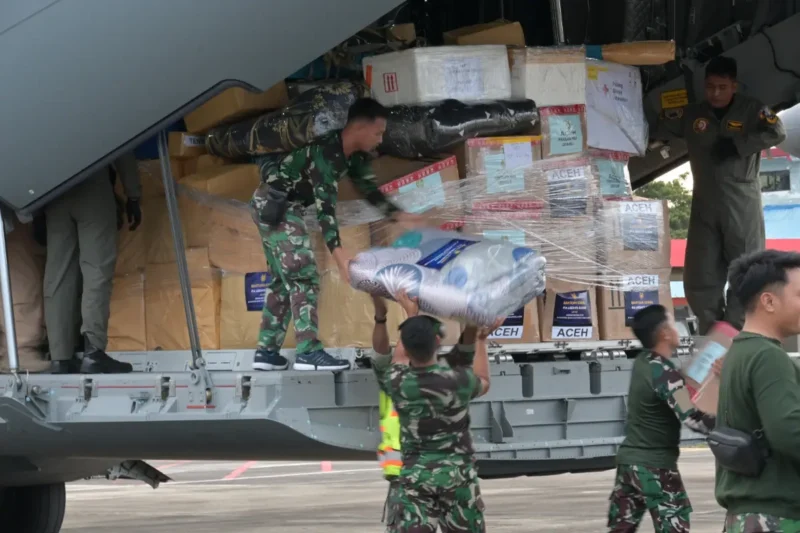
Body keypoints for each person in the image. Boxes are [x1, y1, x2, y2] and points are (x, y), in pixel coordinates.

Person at [250, 97, 422, 372]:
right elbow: (325, 211)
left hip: (279, 207)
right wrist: (340, 256)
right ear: (358, 128)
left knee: (284, 280)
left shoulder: (354, 156)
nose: (380, 140)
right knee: (302, 274)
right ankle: (308, 352)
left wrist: (397, 214)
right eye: (377, 133)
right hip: (276, 206)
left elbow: (368, 189)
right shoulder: (325, 154)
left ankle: (267, 352)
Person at [658, 55, 787, 335]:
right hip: (704, 201)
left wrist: (740, 146)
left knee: (748, 267)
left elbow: (778, 132)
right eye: (710, 87)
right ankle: (711, 329)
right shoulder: (694, 114)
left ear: (734, 86)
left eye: (722, 87)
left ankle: (736, 328)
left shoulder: (752, 110)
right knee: (699, 271)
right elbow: (664, 122)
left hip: (741, 201)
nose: (715, 93)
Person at [374, 289, 499, 533]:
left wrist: (411, 313)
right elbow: (482, 378)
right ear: (438, 342)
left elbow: (398, 358)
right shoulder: (458, 380)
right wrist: (478, 335)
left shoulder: (398, 381)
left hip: (415, 479)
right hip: (458, 478)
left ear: (407, 349)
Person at [607, 304, 716, 533]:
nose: (678, 329)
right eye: (673, 324)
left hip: (629, 464)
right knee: (675, 525)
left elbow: (674, 387)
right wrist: (729, 427)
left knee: (621, 529)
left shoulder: (643, 363)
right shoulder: (664, 372)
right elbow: (692, 418)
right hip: (655, 466)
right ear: (665, 333)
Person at [714, 249, 800, 533]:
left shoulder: (740, 352)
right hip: (775, 518)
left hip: (748, 516)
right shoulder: (768, 356)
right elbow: (789, 431)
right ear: (769, 301)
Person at [44, 153, 141, 374]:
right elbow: (122, 147)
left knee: (58, 274)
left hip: (53, 190)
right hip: (92, 183)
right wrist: (133, 194)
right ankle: (94, 352)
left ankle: (59, 357)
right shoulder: (97, 115)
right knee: (96, 269)